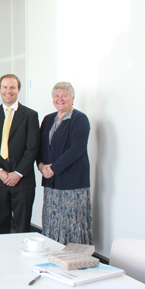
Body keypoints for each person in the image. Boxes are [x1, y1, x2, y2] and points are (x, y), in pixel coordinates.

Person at [0, 74, 40, 234]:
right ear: (0, 89)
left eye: (12, 87)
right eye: (5, 87)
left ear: (19, 90)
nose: (8, 91)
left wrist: (18, 173)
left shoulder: (30, 115)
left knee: (22, 226)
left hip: (23, 180)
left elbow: (33, 148)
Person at [37, 82, 92, 245]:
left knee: (71, 222)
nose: (60, 99)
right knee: (52, 220)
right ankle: (52, 252)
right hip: (51, 181)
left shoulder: (80, 119)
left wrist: (53, 168)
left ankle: (73, 256)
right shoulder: (48, 119)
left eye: (64, 95)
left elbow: (77, 149)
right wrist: (41, 166)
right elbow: (40, 147)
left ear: (72, 98)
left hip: (73, 181)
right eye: (56, 95)